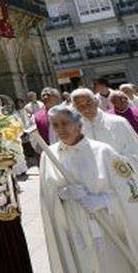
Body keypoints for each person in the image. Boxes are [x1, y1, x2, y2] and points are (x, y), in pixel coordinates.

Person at [39, 105, 138, 273]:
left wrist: (104, 201)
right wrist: (62, 194)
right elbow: (47, 195)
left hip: (107, 228)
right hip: (75, 231)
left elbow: (131, 191)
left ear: (79, 124)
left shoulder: (103, 151)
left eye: (65, 123)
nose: (60, 129)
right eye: (55, 125)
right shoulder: (49, 156)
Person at [71, 88, 138, 165]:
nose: (85, 107)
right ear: (74, 107)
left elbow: (135, 149)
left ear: (96, 101)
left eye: (88, 102)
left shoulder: (118, 122)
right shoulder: (75, 130)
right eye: (79, 105)